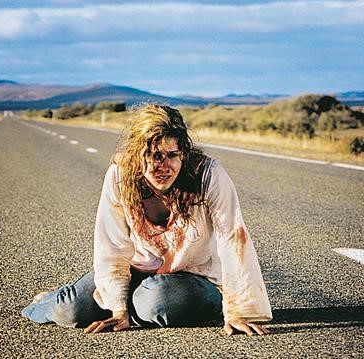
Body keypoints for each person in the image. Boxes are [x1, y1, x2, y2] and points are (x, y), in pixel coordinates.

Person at [21, 104, 272, 335]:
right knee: (70, 310)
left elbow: (233, 239)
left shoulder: (208, 174)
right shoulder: (121, 176)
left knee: (157, 301)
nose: (163, 166)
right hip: (136, 270)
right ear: (136, 154)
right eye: (153, 156)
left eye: (171, 155)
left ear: (183, 153)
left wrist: (238, 309)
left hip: (195, 277)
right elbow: (112, 246)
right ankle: (53, 299)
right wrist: (118, 310)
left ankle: (141, 304)